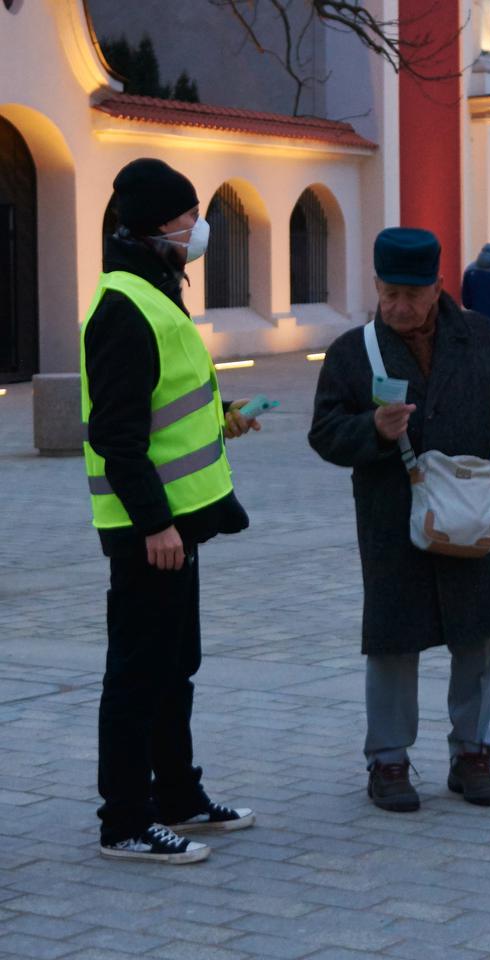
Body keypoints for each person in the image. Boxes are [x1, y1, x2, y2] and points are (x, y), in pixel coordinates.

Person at [309, 227, 490, 813]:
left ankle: (473, 754)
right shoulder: (353, 351)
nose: (399, 307)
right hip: (392, 519)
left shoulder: (482, 338)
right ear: (377, 286)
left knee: (478, 634)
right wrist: (371, 431)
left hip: (476, 515)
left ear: (438, 288)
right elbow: (325, 433)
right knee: (392, 639)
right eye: (389, 295)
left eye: (412, 295)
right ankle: (387, 760)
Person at [82, 158, 259, 863]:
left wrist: (221, 419)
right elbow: (116, 437)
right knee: (137, 673)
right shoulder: (125, 304)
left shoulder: (155, 286)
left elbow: (163, 408)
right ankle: (124, 820)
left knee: (174, 665)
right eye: (188, 216)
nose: (198, 227)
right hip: (147, 530)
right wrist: (155, 523)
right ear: (158, 225)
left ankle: (178, 796)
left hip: (177, 525)